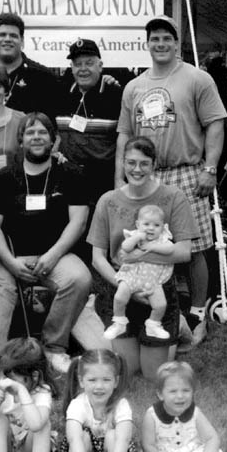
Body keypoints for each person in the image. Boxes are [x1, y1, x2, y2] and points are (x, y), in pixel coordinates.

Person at [115, 14, 227, 347]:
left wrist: (210, 169)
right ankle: (160, 315)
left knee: (192, 248)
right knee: (149, 244)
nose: (160, 44)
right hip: (146, 175)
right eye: (154, 39)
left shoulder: (197, 78)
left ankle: (197, 313)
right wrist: (121, 177)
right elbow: (124, 134)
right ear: (146, 44)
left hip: (187, 171)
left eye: (167, 38)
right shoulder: (134, 87)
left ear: (177, 43)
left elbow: (215, 125)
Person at [0, 111, 92, 376]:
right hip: (11, 258)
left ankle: (54, 348)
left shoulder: (70, 174)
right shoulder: (5, 177)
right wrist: (9, 262)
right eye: (30, 132)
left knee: (79, 278)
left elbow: (79, 222)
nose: (36, 138)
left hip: (56, 256)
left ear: (54, 140)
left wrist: (52, 256)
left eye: (42, 133)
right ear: (21, 141)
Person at [88, 136, 198, 380]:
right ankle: (154, 331)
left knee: (151, 375)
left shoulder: (173, 196)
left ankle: (174, 325)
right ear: (123, 163)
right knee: (128, 370)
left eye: (144, 163)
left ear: (154, 165)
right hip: (121, 288)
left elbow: (183, 252)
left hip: (158, 288)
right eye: (131, 162)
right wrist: (127, 285)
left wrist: (142, 253)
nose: (136, 169)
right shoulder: (108, 200)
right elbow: (98, 258)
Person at [54, 349, 134, 452]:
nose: (99, 386)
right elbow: (74, 439)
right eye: (92, 380)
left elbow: (124, 439)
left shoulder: (121, 404)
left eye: (106, 380)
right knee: (82, 436)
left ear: (116, 381)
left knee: (113, 435)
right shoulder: (77, 405)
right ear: (81, 381)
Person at [56, 39, 123, 205]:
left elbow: (126, 140)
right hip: (68, 183)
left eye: (89, 63)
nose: (83, 69)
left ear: (100, 66)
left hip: (103, 185)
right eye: (78, 64)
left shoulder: (116, 95)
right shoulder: (60, 93)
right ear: (71, 68)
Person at [104, 204, 174, 341]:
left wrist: (152, 246)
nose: (151, 228)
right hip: (132, 276)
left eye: (156, 225)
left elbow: (170, 250)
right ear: (138, 224)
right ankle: (119, 322)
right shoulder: (134, 235)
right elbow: (125, 247)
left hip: (152, 279)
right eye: (146, 224)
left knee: (160, 305)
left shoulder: (163, 240)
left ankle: (154, 324)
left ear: (163, 227)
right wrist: (136, 238)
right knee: (119, 297)